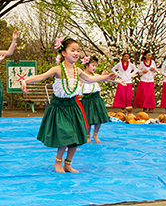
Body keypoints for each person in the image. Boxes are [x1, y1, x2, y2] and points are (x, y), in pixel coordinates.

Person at [21, 37, 117, 173]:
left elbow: (90, 79)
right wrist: (26, 81)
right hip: (60, 107)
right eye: (72, 50)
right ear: (64, 53)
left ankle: (68, 163)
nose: (76, 53)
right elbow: (41, 76)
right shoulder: (58, 69)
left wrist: (105, 77)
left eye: (78, 50)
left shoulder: (78, 71)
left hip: (73, 106)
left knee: (76, 136)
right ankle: (58, 162)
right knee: (66, 135)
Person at [80, 56, 119, 143]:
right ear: (86, 65)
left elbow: (108, 79)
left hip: (96, 98)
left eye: (95, 66)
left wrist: (117, 81)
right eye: (92, 65)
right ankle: (87, 136)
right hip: (87, 99)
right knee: (88, 119)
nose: (94, 68)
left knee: (99, 118)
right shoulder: (82, 76)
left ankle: (95, 134)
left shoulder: (96, 75)